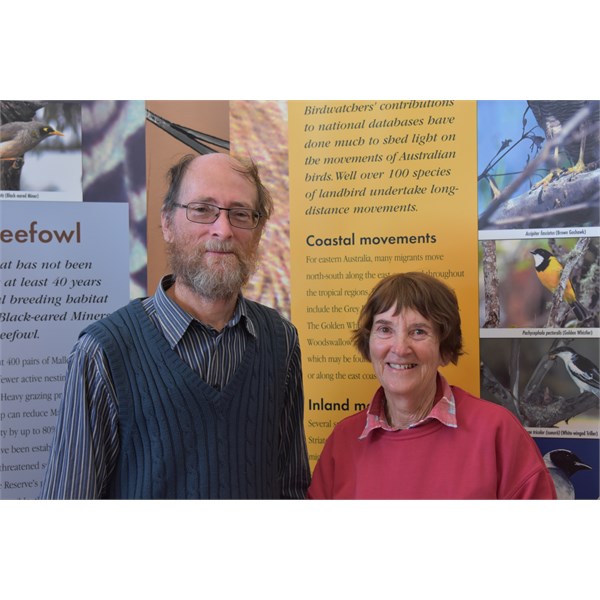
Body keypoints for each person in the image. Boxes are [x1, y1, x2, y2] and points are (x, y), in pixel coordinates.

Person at [41, 152, 310, 499]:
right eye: (202, 209)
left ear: (258, 231)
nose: (223, 229)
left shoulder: (281, 341)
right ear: (167, 223)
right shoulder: (103, 353)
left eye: (241, 214)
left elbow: (289, 488)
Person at [307, 272, 556, 500]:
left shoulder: (497, 433)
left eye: (418, 331)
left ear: (444, 349)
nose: (400, 348)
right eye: (385, 329)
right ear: (369, 344)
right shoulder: (343, 440)